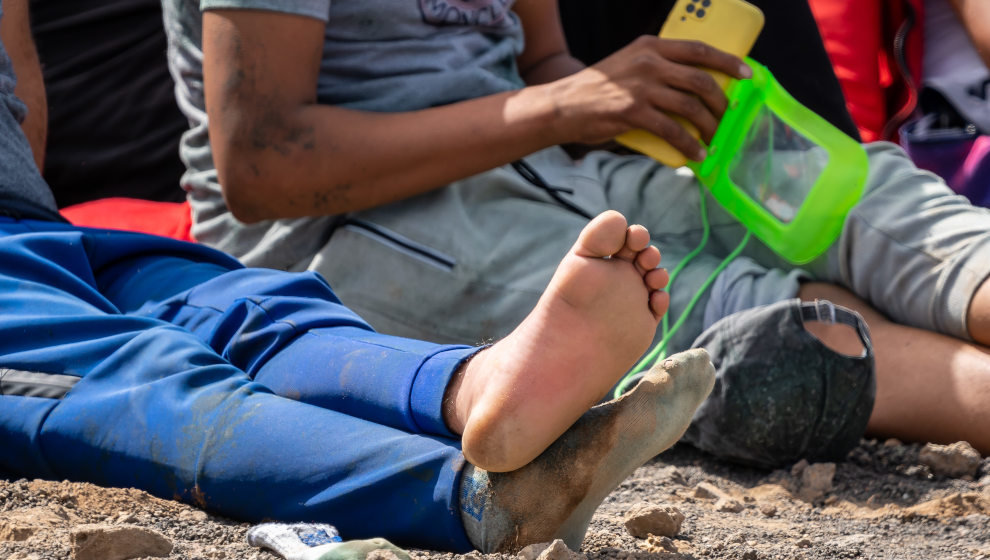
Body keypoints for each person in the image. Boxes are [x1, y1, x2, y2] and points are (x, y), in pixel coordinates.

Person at [0, 0, 718, 552]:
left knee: (263, 309)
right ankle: (471, 490)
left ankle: (479, 388)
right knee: (141, 368)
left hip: (36, 226)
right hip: (344, 217)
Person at [160, 0, 990, 454]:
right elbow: (262, 165)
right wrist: (567, 102)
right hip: (349, 235)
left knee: (856, 187)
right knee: (773, 326)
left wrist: (642, 93)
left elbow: (539, 68)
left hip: (542, 166)